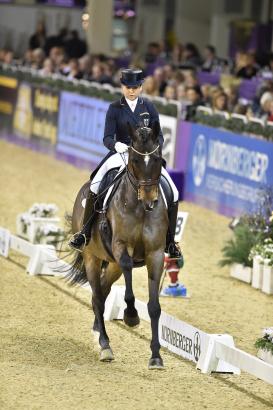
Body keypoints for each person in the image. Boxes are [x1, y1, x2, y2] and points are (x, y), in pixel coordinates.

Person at [69, 69, 182, 259]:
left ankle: (170, 242)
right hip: (120, 154)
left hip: (144, 158)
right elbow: (106, 137)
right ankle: (84, 233)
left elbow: (160, 135)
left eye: (135, 87)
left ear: (140, 87)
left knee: (174, 191)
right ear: (122, 87)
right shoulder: (115, 108)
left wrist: (153, 149)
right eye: (128, 87)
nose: (131, 91)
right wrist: (116, 145)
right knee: (96, 184)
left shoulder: (149, 107)